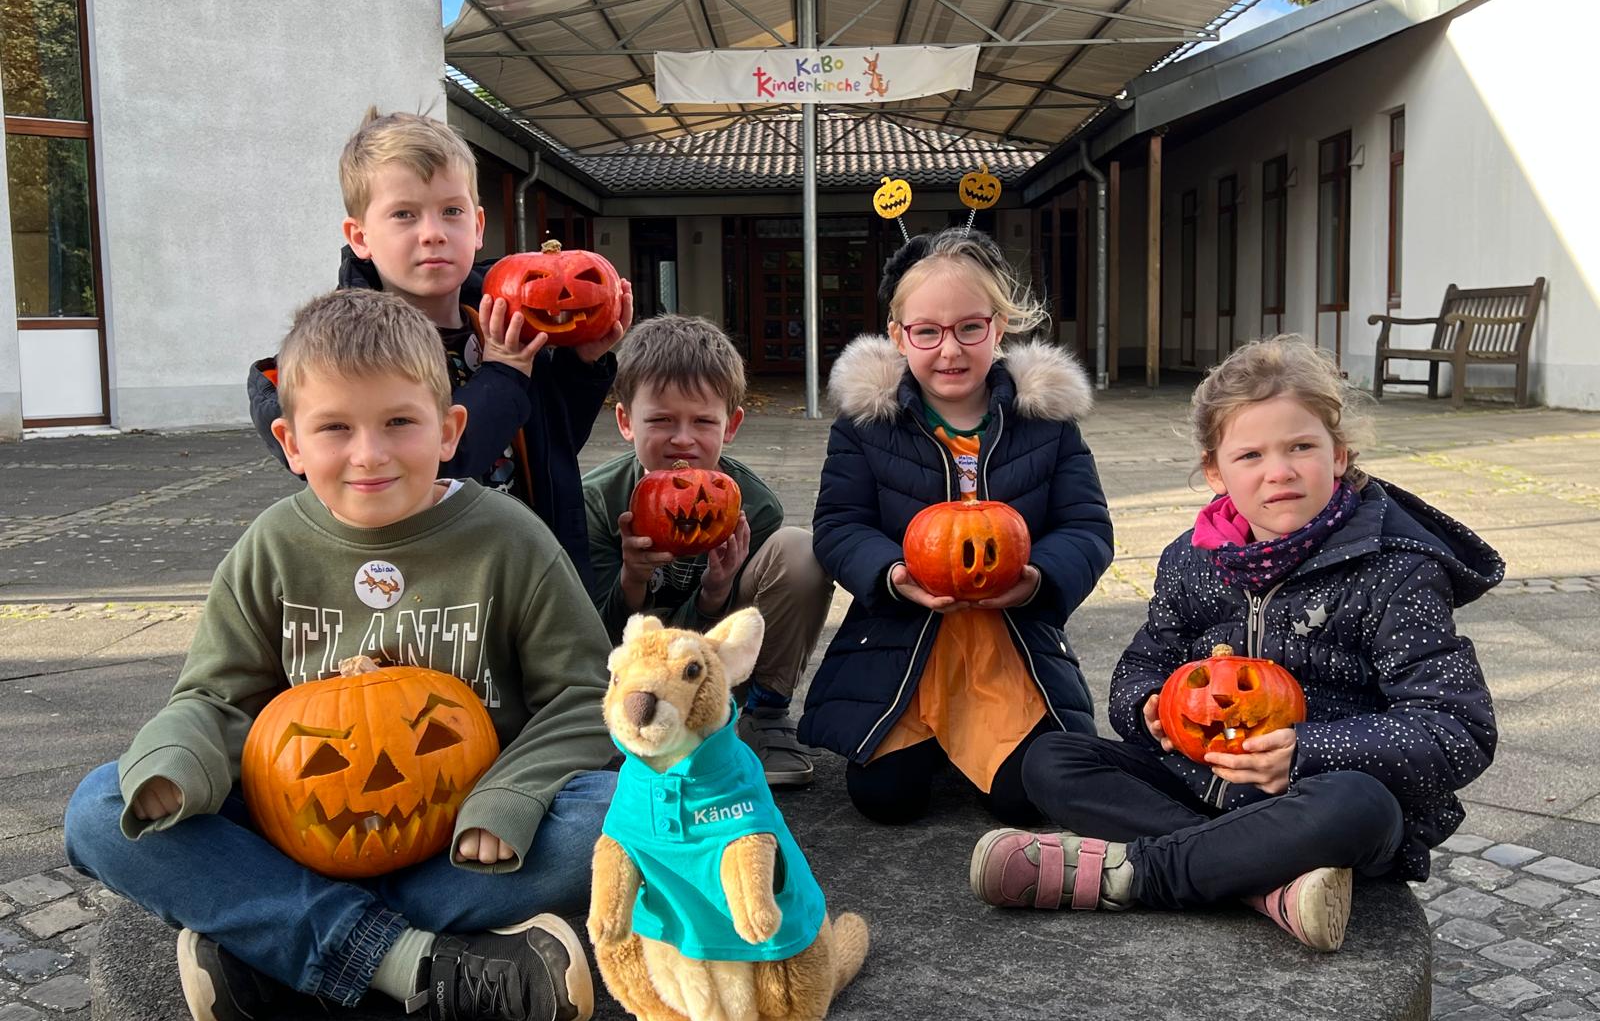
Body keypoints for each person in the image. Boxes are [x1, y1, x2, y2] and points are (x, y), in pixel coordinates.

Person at [65, 290, 618, 1021]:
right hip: (302, 829)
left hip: (473, 839)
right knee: (103, 810)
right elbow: (218, 696)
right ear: (291, 443)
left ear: (450, 429)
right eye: (335, 429)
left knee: (619, 815)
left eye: (399, 422)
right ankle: (421, 963)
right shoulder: (272, 548)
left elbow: (585, 697)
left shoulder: (510, 540)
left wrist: (513, 795)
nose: (370, 453)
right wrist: (177, 760)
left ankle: (275, 949)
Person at [970, 334, 1501, 952]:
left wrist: (1306, 750)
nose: (1279, 471)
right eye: (1251, 455)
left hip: (1312, 796)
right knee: (1053, 758)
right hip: (1197, 785)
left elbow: (1458, 728)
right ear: (1216, 470)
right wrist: (1147, 708)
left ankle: (1145, 873)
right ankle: (1257, 881)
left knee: (1360, 805)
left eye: (1301, 446)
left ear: (1339, 456)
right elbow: (1145, 662)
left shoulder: (1395, 572)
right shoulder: (1191, 560)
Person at [801, 229, 1113, 825]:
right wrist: (891, 573)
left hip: (1010, 645)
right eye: (928, 332)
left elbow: (1087, 527)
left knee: (1027, 801)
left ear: (998, 327)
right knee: (884, 800)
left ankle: (985, 735)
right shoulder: (867, 426)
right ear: (898, 336)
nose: (950, 350)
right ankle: (927, 736)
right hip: (903, 646)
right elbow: (840, 524)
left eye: (970, 327)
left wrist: (1039, 578)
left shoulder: (1046, 425)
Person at [246, 107, 628, 587]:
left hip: (527, 575)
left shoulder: (500, 327)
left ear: (478, 225)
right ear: (360, 236)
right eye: (404, 214)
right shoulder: (334, 364)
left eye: (452, 211)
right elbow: (435, 466)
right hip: (427, 589)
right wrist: (505, 374)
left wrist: (581, 365)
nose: (433, 232)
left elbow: (552, 446)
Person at [583, 314, 830, 789]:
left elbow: (741, 627)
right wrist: (631, 579)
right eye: (660, 420)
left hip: (711, 670)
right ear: (625, 422)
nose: (682, 439)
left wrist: (716, 591)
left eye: (702, 421)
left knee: (800, 551)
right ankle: (635, 726)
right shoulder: (595, 501)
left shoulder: (751, 506)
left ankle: (763, 714)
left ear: (731, 424)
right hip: (624, 674)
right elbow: (594, 633)